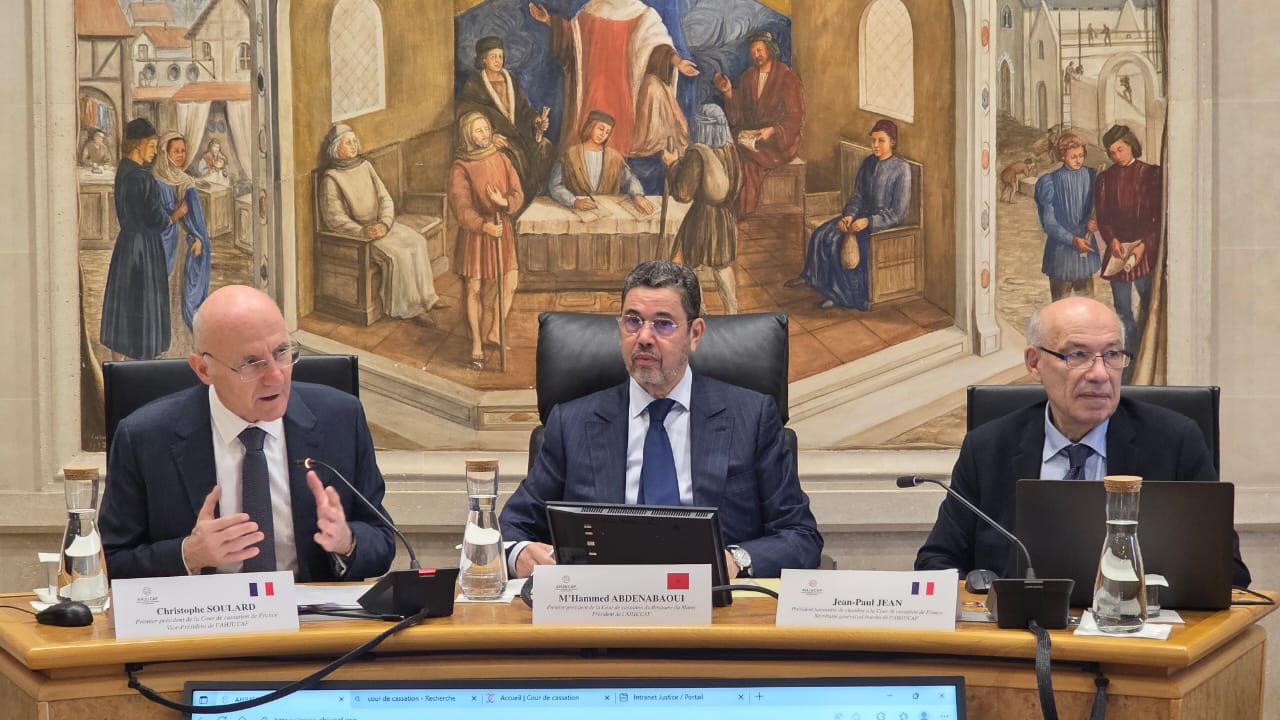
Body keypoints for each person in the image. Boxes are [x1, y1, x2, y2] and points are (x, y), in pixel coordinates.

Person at [499, 260, 823, 579]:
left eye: (663, 324)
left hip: (712, 603)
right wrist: (519, 554)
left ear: (695, 334)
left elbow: (800, 536)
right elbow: (510, 528)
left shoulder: (751, 418)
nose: (644, 337)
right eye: (633, 321)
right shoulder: (571, 424)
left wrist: (735, 560)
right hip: (604, 602)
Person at [913, 297, 1250, 587]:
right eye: (1077, 355)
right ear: (1034, 362)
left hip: (1137, 633)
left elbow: (1227, 572)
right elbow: (936, 562)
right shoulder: (987, 449)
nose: (1100, 374)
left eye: (1112, 354)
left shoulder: (1175, 442)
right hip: (1019, 634)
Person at [100, 285, 397, 581]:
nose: (276, 377)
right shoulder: (144, 437)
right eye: (251, 363)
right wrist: (188, 554)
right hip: (205, 609)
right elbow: (112, 561)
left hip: (308, 608)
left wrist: (348, 542)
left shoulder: (341, 418)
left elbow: (383, 540)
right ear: (203, 369)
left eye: (282, 353)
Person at [529, 0, 697, 157]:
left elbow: (658, 48)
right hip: (593, 89)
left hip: (623, 94)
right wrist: (548, 20)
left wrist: (678, 62)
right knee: (587, 144)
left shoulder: (643, 15)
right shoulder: (590, 11)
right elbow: (574, 40)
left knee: (616, 149)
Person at [318, 124, 445, 324]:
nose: (354, 145)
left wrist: (385, 222)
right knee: (400, 254)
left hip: (382, 225)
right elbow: (335, 218)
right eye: (348, 142)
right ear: (336, 148)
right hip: (361, 237)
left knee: (417, 241)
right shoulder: (331, 178)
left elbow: (385, 197)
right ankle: (410, 308)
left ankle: (428, 297)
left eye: (354, 141)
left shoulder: (365, 166)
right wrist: (363, 231)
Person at [784, 118, 910, 310]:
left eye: (881, 140)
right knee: (822, 233)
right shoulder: (868, 163)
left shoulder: (902, 169)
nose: (875, 145)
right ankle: (812, 277)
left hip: (881, 225)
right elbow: (857, 196)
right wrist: (849, 215)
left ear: (892, 142)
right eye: (873, 140)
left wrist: (869, 221)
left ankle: (841, 296)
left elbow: (898, 213)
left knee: (837, 241)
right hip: (859, 216)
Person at [100, 117, 188, 360]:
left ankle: (119, 359)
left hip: (126, 245)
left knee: (125, 303)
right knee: (144, 304)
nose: (155, 152)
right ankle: (144, 361)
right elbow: (158, 221)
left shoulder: (123, 170)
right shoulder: (143, 177)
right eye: (151, 146)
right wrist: (177, 213)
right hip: (146, 248)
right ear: (138, 144)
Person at [447, 112, 525, 370]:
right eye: (477, 130)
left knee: (510, 281)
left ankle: (494, 330)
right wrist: (483, 226)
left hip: (502, 228)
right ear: (467, 135)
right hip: (477, 235)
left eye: (485, 128)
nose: (484, 134)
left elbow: (517, 193)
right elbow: (461, 207)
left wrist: (505, 202)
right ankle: (477, 344)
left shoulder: (502, 158)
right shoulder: (461, 167)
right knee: (474, 289)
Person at [456, 36, 552, 216]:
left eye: (500, 56)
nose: (498, 60)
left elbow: (523, 109)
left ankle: (533, 200)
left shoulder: (510, 80)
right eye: (493, 57)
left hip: (520, 135)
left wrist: (536, 121)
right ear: (483, 59)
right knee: (513, 157)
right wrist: (489, 136)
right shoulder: (475, 85)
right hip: (495, 138)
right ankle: (516, 208)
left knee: (545, 148)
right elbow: (468, 115)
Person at [712, 31, 804, 218]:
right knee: (726, 150)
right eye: (753, 51)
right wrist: (728, 92)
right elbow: (738, 117)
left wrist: (773, 130)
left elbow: (796, 116)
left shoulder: (787, 77)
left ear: (769, 50)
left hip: (777, 142)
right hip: (754, 137)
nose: (756, 54)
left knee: (746, 162)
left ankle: (740, 212)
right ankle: (722, 204)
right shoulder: (748, 77)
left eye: (760, 50)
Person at [661, 104, 742, 314]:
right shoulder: (730, 151)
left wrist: (672, 165)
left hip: (702, 218)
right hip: (724, 217)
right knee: (722, 265)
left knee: (683, 262)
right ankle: (732, 311)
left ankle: (698, 309)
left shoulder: (697, 154)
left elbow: (683, 193)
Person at [1094, 124, 1161, 379]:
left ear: (1130, 145)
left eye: (1120, 150)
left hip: (1145, 251)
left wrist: (1145, 244)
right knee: (1122, 311)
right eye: (1112, 152)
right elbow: (1103, 218)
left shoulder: (1150, 174)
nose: (1116, 156)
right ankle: (1129, 364)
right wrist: (1111, 239)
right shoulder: (1105, 179)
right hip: (1119, 252)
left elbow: (1158, 219)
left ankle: (1147, 361)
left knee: (1148, 307)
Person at [152, 131, 212, 342]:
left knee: (179, 290)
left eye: (183, 151)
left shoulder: (186, 182)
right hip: (160, 244)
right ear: (164, 153)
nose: (180, 155)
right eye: (175, 151)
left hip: (182, 245)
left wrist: (198, 238)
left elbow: (195, 220)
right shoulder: (153, 180)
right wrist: (175, 215)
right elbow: (153, 219)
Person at [547, 110, 654, 215]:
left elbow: (629, 179)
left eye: (607, 132)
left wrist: (637, 195)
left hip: (608, 212)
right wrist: (574, 201)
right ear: (590, 127)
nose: (603, 134)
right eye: (601, 129)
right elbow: (555, 185)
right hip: (578, 213)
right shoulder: (570, 154)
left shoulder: (614, 157)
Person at [1033, 131, 1099, 300]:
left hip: (1085, 251)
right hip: (1060, 254)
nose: (1078, 160)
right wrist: (1072, 240)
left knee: (1087, 306)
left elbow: (1100, 207)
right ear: (1062, 156)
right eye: (1073, 157)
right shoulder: (1049, 182)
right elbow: (1049, 222)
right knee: (1060, 306)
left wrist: (1094, 222)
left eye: (1081, 156)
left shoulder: (1092, 176)